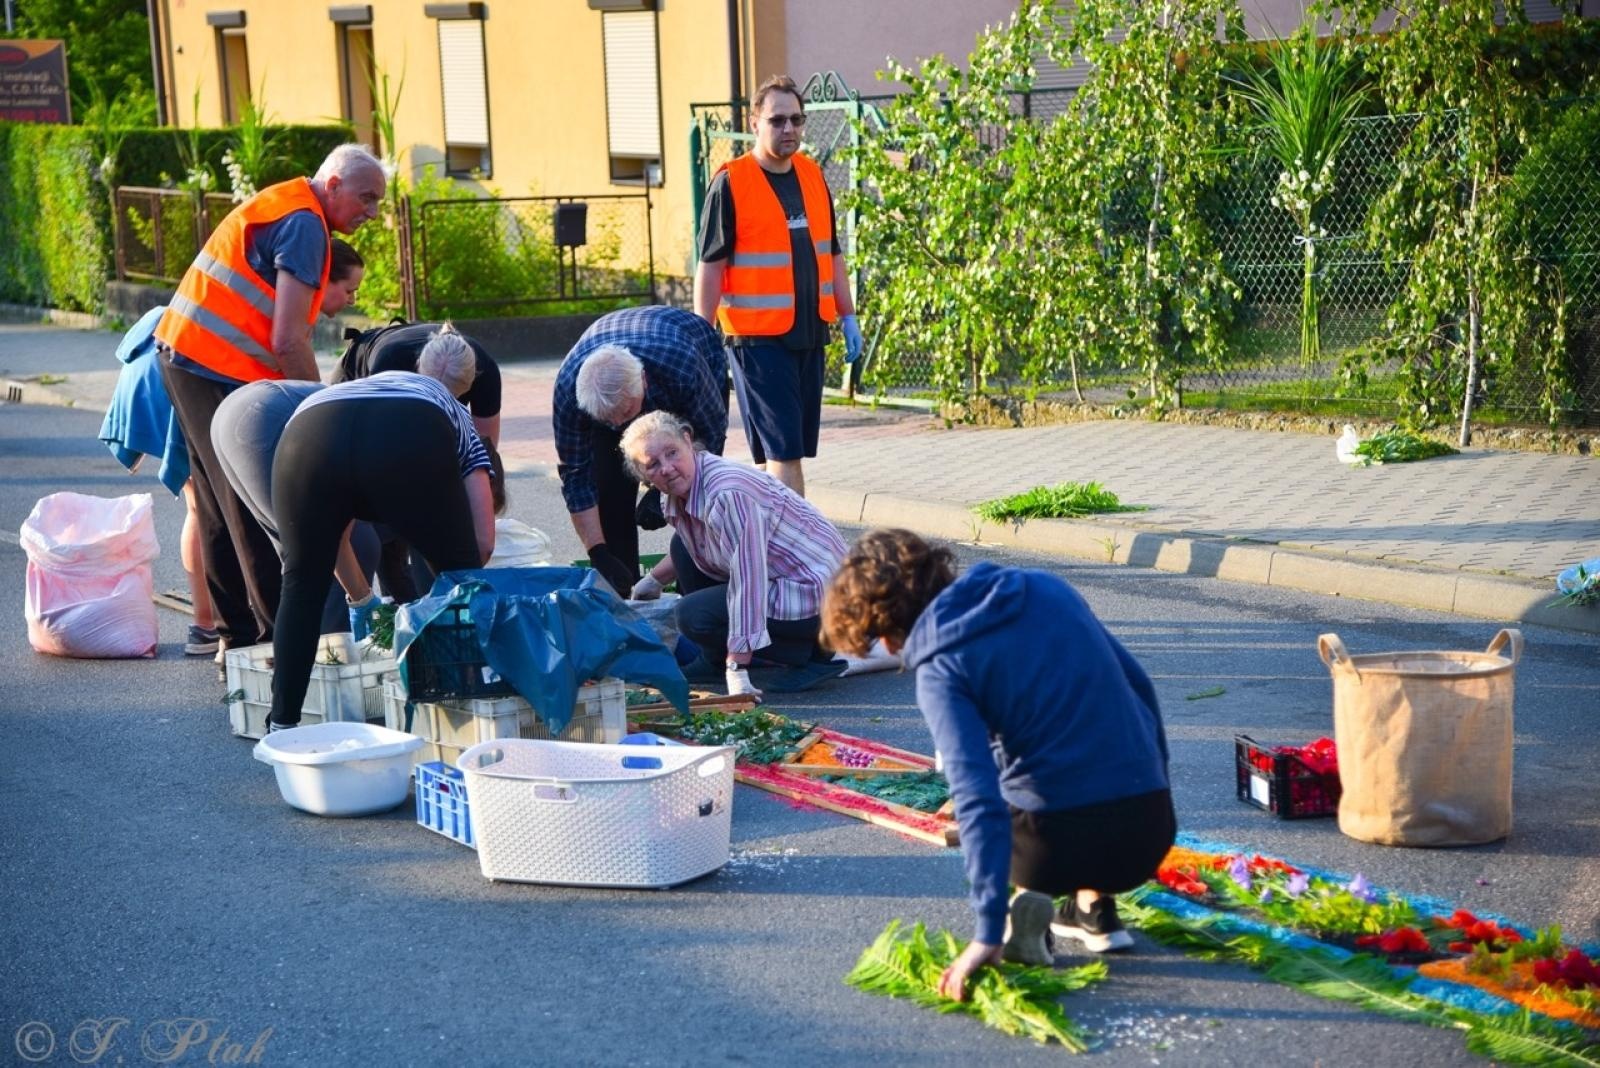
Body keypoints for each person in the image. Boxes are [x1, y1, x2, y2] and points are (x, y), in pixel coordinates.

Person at [821, 529, 1175, 1000]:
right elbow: (1140, 688)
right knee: (1069, 758)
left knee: (991, 796)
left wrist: (984, 933)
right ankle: (1094, 910)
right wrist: (1155, 791)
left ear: (885, 630)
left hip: (1049, 851)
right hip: (1148, 832)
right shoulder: (1044, 587)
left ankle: (1016, 919)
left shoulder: (940, 667)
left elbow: (977, 797)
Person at [153, 142, 388, 657]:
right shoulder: (304, 224)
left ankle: (237, 644)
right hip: (213, 365)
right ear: (333, 185)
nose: (372, 212)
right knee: (253, 507)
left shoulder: (292, 206)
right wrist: (318, 415)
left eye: (378, 202)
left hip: (188, 355)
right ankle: (272, 647)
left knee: (219, 506)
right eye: (366, 198)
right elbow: (288, 340)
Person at [266, 371, 497, 731]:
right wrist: (453, 572)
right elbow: (483, 544)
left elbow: (334, 542)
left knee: (301, 586)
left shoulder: (383, 391)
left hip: (308, 434)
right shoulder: (461, 421)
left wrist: (360, 596)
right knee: (461, 581)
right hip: (407, 432)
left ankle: (281, 725)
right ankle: (468, 716)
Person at [693, 73, 862, 498]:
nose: (789, 129)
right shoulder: (731, 182)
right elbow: (710, 265)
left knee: (776, 452)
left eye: (796, 120)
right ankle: (798, 550)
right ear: (754, 123)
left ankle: (763, 543)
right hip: (757, 339)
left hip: (808, 331)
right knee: (785, 452)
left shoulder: (811, 174)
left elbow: (833, 252)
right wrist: (702, 332)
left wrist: (848, 315)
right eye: (777, 120)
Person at [210, 240, 385, 634]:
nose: (352, 299)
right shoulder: (289, 324)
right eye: (349, 289)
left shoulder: (293, 317)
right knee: (315, 547)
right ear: (323, 281)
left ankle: (311, 646)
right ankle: (315, 652)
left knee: (324, 545)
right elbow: (333, 528)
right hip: (247, 422)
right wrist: (364, 600)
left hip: (243, 417)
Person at [620, 411, 847, 697]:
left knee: (692, 615)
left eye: (672, 453)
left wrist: (737, 666)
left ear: (688, 441)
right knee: (682, 546)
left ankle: (815, 651)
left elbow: (748, 578)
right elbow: (700, 545)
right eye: (653, 464)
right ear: (642, 475)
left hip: (823, 596)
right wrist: (652, 581)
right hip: (791, 581)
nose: (667, 468)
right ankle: (712, 658)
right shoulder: (679, 490)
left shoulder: (727, 493)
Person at [552, 305, 728, 597]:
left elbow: (710, 437)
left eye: (626, 413)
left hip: (689, 353)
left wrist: (664, 488)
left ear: (643, 382)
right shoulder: (569, 391)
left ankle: (694, 590)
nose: (620, 425)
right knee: (609, 490)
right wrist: (598, 552)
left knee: (691, 490)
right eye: (609, 420)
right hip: (617, 369)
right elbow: (575, 475)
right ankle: (625, 595)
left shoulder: (681, 368)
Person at [98, 305, 218, 656]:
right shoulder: (282, 284)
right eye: (347, 290)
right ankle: (210, 625)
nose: (350, 300)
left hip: (153, 361)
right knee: (207, 508)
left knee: (202, 507)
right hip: (175, 367)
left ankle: (208, 625)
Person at [332, 320, 502, 446]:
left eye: (448, 398)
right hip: (354, 371)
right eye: (432, 392)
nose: (440, 402)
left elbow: (487, 449)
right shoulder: (390, 367)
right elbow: (383, 443)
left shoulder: (485, 371)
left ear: (472, 379)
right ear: (417, 367)